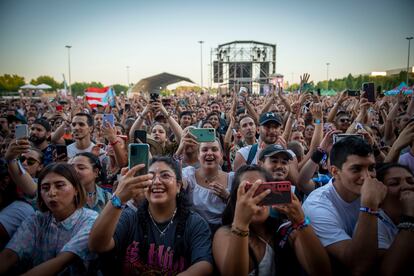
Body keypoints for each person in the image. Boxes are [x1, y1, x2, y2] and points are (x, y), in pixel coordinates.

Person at [89, 157, 213, 275]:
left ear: (178, 186)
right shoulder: (130, 218)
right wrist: (119, 197)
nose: (157, 181)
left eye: (165, 175)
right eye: (150, 176)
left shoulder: (194, 223)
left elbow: (204, 265)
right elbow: (97, 245)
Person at [213, 165, 331, 275]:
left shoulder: (287, 230)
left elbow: (322, 271)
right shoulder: (225, 234)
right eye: (248, 191)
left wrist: (301, 220)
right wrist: (241, 224)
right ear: (236, 199)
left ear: (273, 195)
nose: (256, 199)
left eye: (262, 190)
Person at [303, 136, 387, 275]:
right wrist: (370, 206)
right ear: (335, 172)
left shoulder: (381, 191)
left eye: (371, 168)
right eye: (356, 169)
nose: (367, 177)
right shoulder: (317, 205)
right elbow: (359, 266)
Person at [0, 163, 98, 275]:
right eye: (45, 188)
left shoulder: (90, 220)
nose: (51, 193)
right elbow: (10, 255)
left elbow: (61, 262)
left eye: (60, 185)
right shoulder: (37, 219)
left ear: (76, 189)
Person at [182, 139, 234, 233]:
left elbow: (240, 210)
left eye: (214, 149)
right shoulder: (188, 175)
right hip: (195, 233)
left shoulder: (232, 178)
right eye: (205, 150)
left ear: (221, 154)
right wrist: (181, 147)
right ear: (198, 155)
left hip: (226, 233)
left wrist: (228, 197)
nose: (209, 153)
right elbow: (176, 186)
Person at [375, 163, 414, 275]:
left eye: (411, 182)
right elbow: (389, 271)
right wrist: (409, 217)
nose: (407, 186)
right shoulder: (374, 224)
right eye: (394, 183)